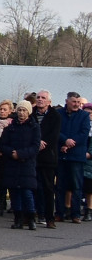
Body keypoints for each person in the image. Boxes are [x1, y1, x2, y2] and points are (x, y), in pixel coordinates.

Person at [0, 100, 40, 230]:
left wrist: (21, 154)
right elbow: (2, 145)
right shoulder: (10, 127)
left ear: (29, 112)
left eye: (24, 110)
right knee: (14, 192)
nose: (22, 113)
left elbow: (35, 146)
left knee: (27, 192)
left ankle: (31, 218)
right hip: (12, 164)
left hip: (27, 164)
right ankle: (18, 219)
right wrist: (12, 153)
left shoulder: (34, 127)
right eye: (20, 110)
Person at [56, 92, 90, 223]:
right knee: (60, 186)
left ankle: (75, 214)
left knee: (76, 186)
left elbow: (84, 133)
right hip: (62, 155)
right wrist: (65, 141)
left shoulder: (84, 116)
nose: (76, 105)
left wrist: (70, 143)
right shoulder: (59, 114)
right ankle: (60, 213)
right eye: (74, 102)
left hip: (76, 155)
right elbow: (57, 131)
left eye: (78, 102)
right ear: (67, 101)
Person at [32, 90, 61, 226]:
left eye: (43, 98)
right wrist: (35, 142)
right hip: (32, 156)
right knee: (33, 186)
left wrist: (42, 143)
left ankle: (50, 218)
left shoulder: (55, 116)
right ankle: (34, 214)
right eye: (38, 97)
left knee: (48, 188)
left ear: (49, 101)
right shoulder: (31, 114)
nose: (40, 100)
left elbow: (54, 135)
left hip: (48, 156)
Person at [0, 100, 15, 216]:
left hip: (7, 156)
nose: (2, 111)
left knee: (5, 181)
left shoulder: (11, 124)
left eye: (5, 109)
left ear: (10, 111)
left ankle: (6, 204)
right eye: (1, 109)